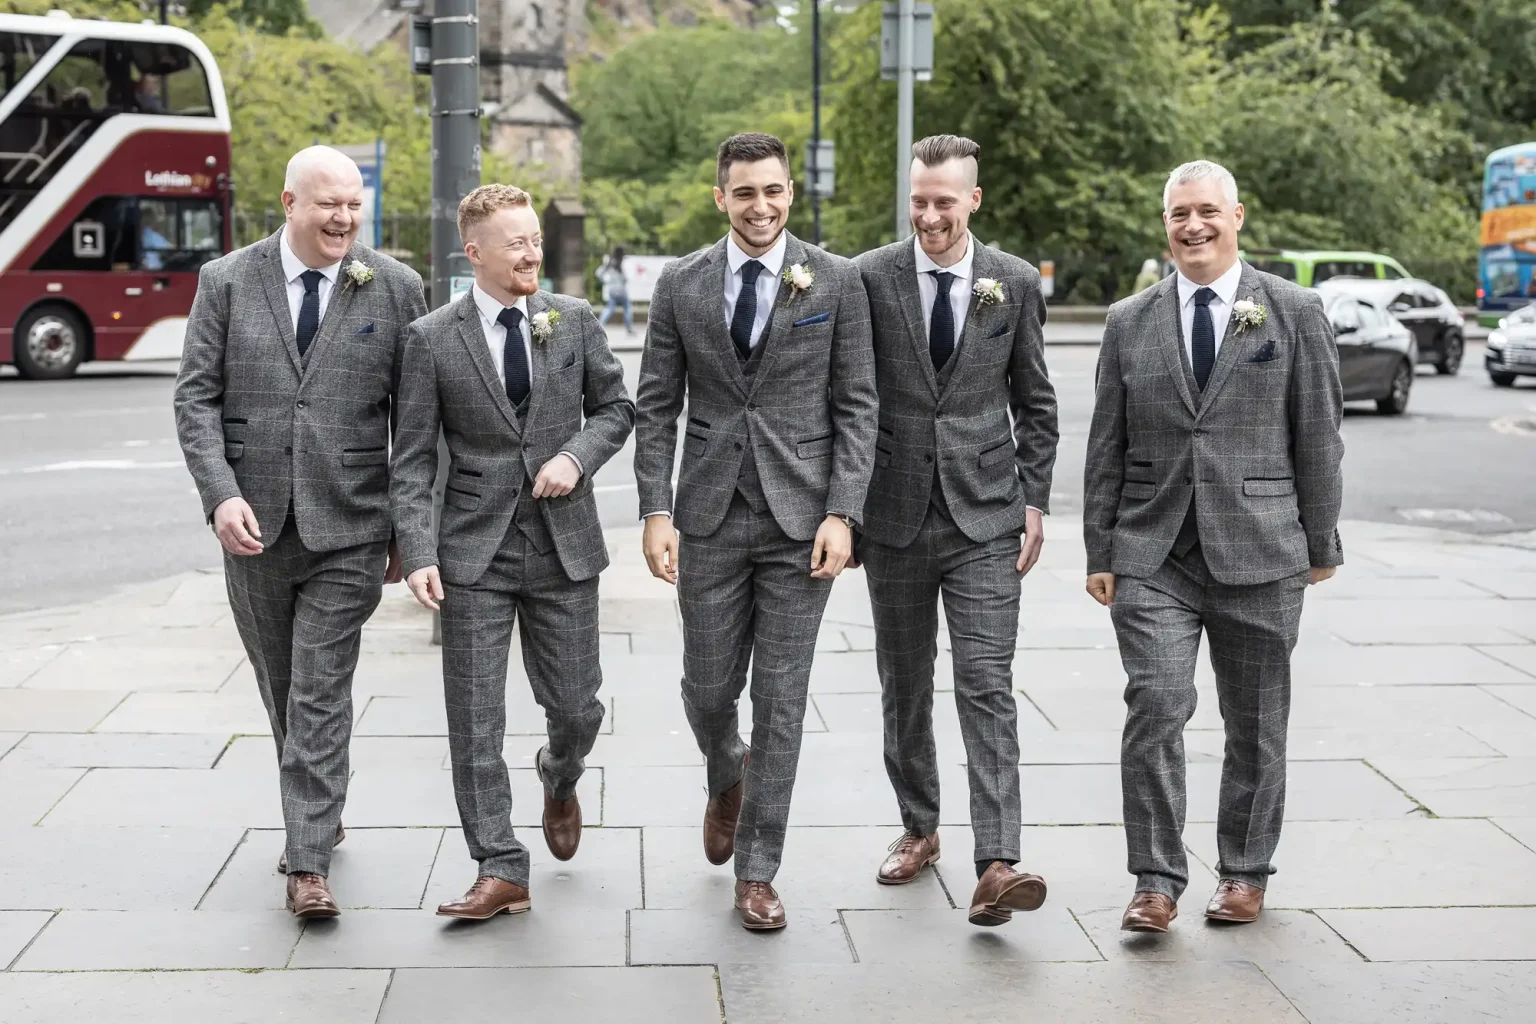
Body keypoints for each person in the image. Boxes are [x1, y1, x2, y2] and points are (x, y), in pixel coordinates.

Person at [1082, 160, 1344, 934]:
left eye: (1206, 212)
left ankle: (1244, 872)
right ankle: (1156, 880)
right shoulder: (1129, 319)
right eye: (1177, 215)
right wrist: (1100, 549)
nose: (1192, 227)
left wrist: (1319, 541)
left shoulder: (1293, 311)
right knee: (1156, 704)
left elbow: (1318, 437)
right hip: (1154, 550)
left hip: (1262, 550)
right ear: (1165, 225)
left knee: (1257, 721)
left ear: (1237, 217)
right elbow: (1106, 443)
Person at [633, 132, 878, 931]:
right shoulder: (681, 284)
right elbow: (657, 404)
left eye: (773, 191)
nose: (761, 206)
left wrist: (843, 511)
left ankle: (759, 870)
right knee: (707, 691)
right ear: (721, 198)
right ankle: (726, 770)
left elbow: (857, 406)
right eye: (745, 193)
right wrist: (655, 510)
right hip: (706, 514)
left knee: (781, 697)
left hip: (801, 522)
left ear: (790, 193)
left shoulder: (836, 281)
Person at [173, 146, 426, 919]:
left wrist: (409, 536)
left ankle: (307, 861)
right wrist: (219, 497)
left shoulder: (396, 286)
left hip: (351, 526)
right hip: (251, 527)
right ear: (289, 203)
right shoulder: (225, 281)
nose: (345, 218)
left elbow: (415, 426)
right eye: (329, 205)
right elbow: (195, 401)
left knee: (320, 687)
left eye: (354, 204)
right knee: (281, 686)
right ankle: (316, 804)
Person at [390, 184, 634, 920]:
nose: (532, 252)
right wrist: (419, 548)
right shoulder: (432, 338)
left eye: (534, 239)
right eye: (517, 243)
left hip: (564, 548)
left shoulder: (575, 320)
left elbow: (618, 409)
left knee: (578, 706)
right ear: (475, 255)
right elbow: (412, 460)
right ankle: (500, 866)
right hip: (474, 553)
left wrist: (577, 456)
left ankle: (559, 777)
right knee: (473, 720)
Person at [853, 134, 1059, 927]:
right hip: (894, 516)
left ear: (974, 199)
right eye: (919, 200)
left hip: (986, 516)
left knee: (985, 682)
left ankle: (999, 861)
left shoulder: (1010, 281)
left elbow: (1035, 403)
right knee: (903, 687)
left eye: (945, 200)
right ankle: (919, 827)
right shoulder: (869, 278)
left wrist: (1033, 499)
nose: (930, 214)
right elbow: (850, 397)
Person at [598, 245, 634, 336]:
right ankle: (629, 329)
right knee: (627, 308)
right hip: (622, 290)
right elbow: (626, 278)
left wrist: (606, 281)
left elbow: (599, 273)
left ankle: (599, 326)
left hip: (612, 289)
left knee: (610, 309)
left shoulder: (610, 263)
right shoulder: (623, 263)